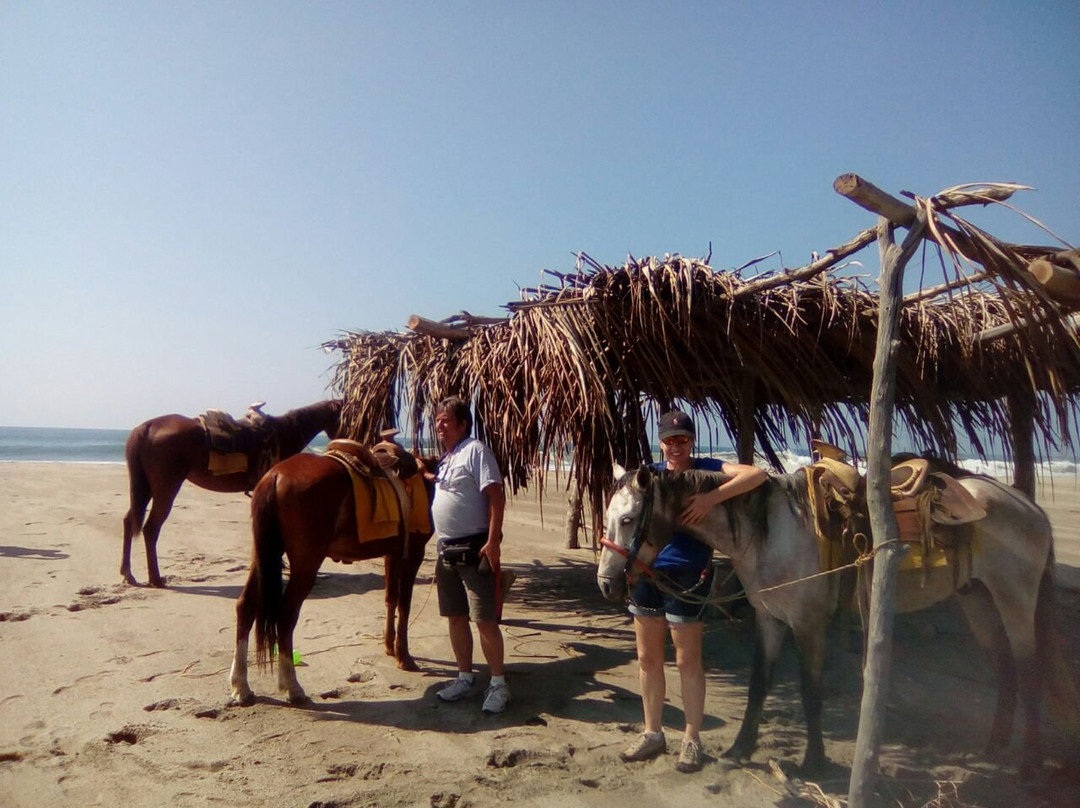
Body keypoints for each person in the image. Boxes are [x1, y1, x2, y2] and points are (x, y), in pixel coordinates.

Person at [620, 410, 767, 772]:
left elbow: (757, 474)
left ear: (692, 441)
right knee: (647, 658)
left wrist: (711, 498)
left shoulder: (708, 468)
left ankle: (691, 739)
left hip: (688, 573)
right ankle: (652, 733)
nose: (676, 447)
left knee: (687, 660)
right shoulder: (651, 475)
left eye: (682, 440)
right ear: (661, 443)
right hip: (647, 572)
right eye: (669, 441)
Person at [429, 397, 510, 714]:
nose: (440, 425)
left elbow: (496, 496)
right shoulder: (448, 458)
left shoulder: (476, 451)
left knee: (485, 620)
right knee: (455, 617)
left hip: (475, 547)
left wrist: (493, 543)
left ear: (463, 424)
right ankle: (464, 676)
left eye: (446, 419)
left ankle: (499, 684)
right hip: (446, 549)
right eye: (437, 419)